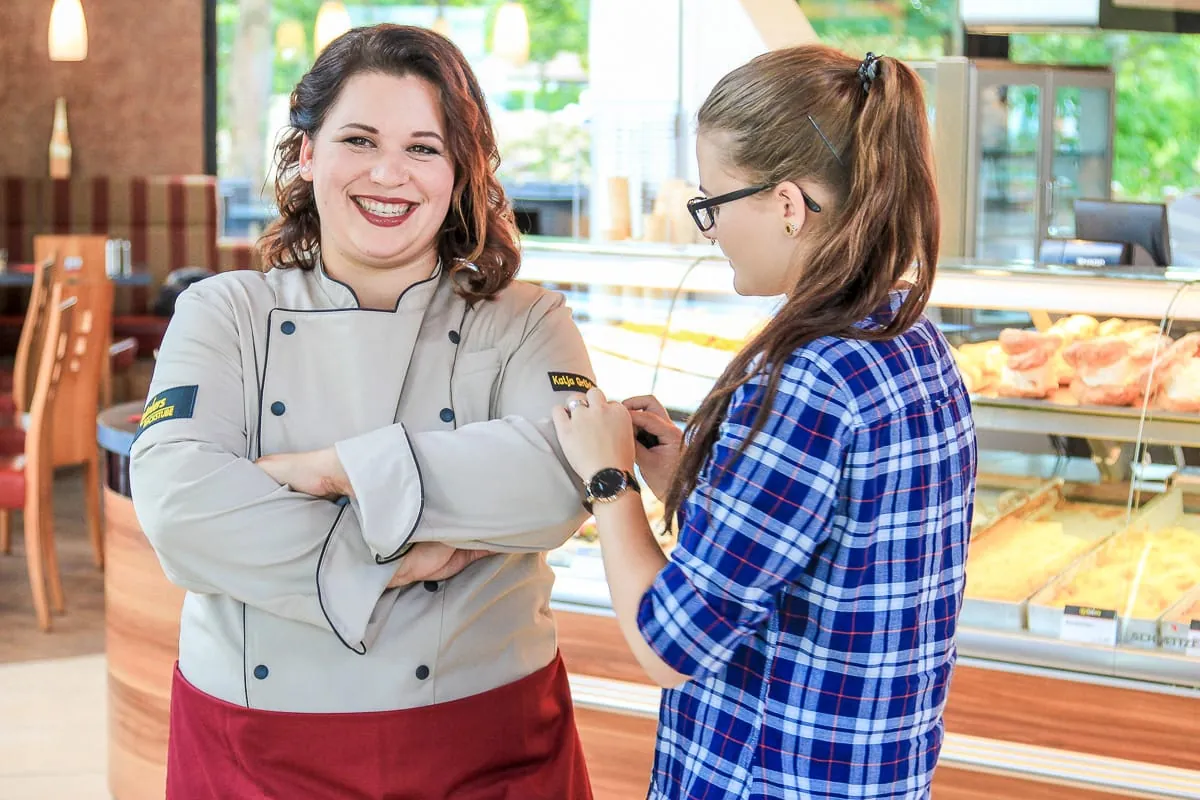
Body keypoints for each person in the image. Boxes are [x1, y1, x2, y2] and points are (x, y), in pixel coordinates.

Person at [130, 24, 595, 799]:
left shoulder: (527, 319)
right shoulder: (224, 312)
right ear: (307, 153)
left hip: (485, 739)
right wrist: (395, 562)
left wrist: (333, 469)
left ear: (460, 171)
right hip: (254, 746)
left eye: (424, 148)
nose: (389, 173)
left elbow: (559, 480)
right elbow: (177, 503)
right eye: (359, 140)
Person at [553, 46, 977, 799]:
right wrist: (691, 476)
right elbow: (825, 550)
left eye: (712, 203)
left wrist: (609, 481)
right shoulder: (913, 340)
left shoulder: (805, 379)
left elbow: (668, 646)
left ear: (786, 204)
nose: (709, 229)